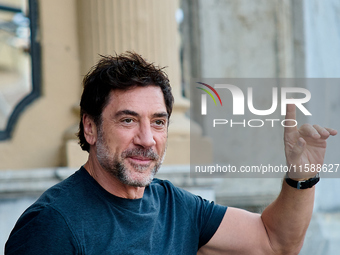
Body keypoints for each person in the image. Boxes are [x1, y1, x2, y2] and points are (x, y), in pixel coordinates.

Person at [5, 52, 337, 255]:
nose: (146, 139)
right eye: (128, 120)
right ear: (90, 128)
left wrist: (301, 176)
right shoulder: (52, 224)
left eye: (158, 122)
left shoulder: (175, 206)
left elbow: (276, 243)